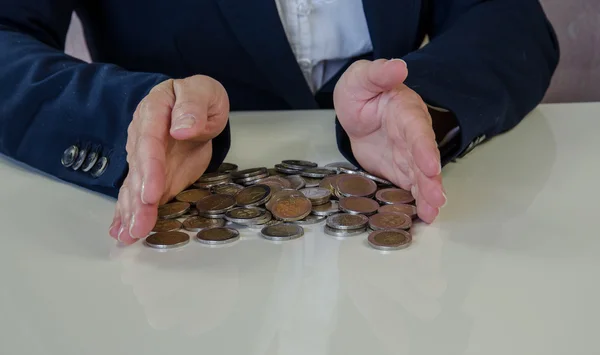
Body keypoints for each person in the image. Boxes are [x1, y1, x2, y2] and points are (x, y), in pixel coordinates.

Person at [0, 0, 559, 245]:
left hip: (404, 254)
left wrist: (423, 99)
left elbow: (506, 16)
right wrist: (130, 110)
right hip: (179, 270)